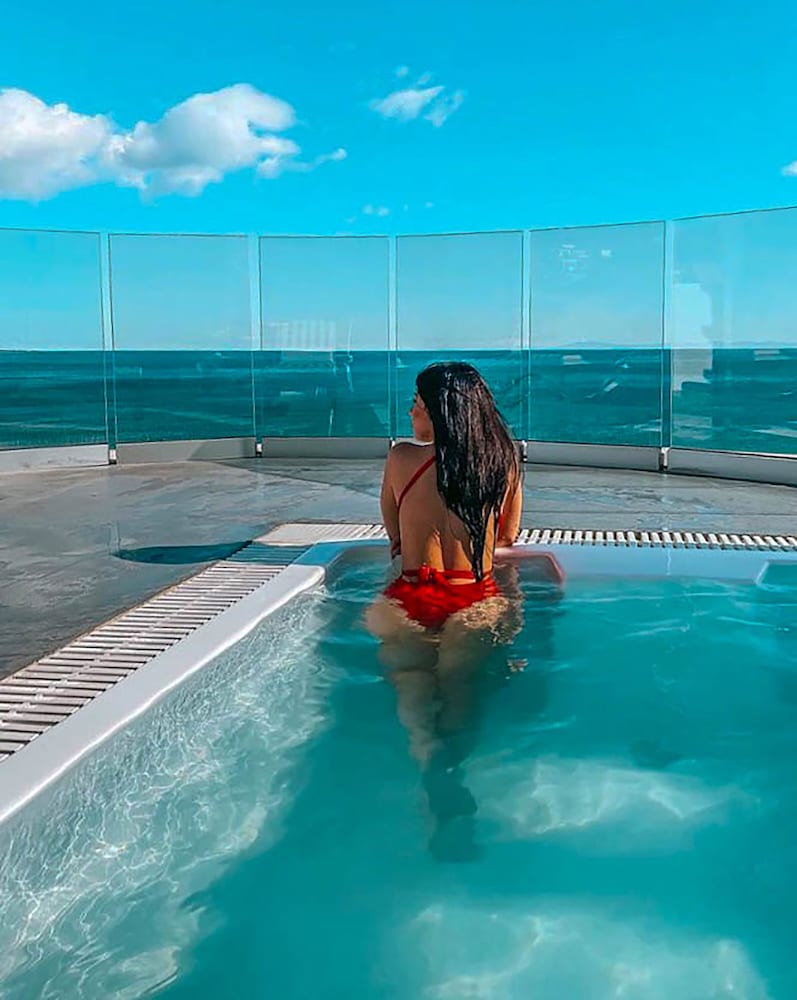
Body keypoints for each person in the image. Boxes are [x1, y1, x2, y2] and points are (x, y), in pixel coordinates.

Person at [365, 361, 526, 860]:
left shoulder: (400, 458)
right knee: (460, 691)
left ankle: (429, 763)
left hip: (412, 594)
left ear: (439, 411)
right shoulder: (501, 462)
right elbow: (508, 536)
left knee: (413, 688)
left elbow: (394, 532)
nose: (410, 410)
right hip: (475, 597)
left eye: (417, 402)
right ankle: (454, 770)